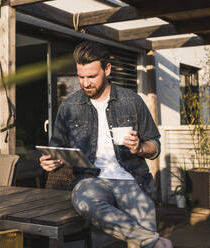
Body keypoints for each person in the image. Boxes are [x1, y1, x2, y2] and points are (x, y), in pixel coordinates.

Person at [39, 41, 172, 248]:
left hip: (132, 179)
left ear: (107, 70)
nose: (85, 83)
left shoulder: (132, 101)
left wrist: (139, 148)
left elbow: (154, 146)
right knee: (85, 201)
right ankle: (153, 242)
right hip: (90, 179)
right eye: (81, 76)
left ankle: (147, 240)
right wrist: (52, 162)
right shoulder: (69, 106)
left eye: (91, 76)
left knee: (143, 218)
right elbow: (58, 148)